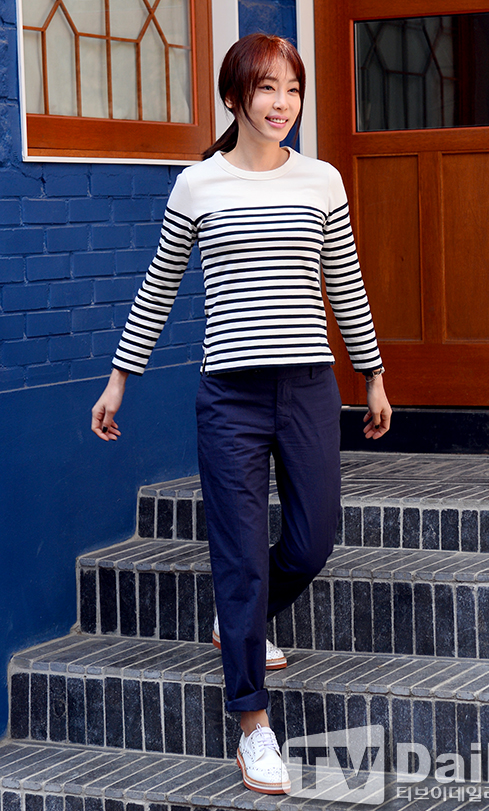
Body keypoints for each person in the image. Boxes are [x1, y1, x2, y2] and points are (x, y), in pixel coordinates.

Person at [91, 33, 391, 795]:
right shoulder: (197, 185)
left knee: (313, 540)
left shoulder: (321, 179)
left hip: (309, 387)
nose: (282, 103)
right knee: (238, 556)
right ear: (235, 98)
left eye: (292, 88)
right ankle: (253, 723)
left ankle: (240, 620)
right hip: (230, 396)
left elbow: (345, 282)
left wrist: (374, 374)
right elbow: (160, 286)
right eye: (266, 88)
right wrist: (120, 379)